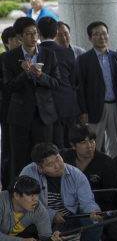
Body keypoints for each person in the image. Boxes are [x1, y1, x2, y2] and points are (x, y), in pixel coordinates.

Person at [20, 143, 103, 241]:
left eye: (58, 159)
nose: (57, 165)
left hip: (67, 218)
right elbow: (25, 205)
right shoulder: (28, 173)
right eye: (50, 164)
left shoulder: (76, 174)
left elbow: (87, 201)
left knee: (94, 220)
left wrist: (94, 211)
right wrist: (52, 214)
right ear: (40, 168)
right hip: (41, 224)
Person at [3, 17, 60, 179]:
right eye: (29, 34)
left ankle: (47, 195)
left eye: (35, 33)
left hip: (44, 116)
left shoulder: (49, 54)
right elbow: (9, 87)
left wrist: (41, 76)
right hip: (20, 117)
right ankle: (19, 196)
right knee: (20, 160)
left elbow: (56, 82)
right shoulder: (9, 58)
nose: (34, 37)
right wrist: (25, 74)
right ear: (19, 37)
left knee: (46, 158)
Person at [0, 176, 64, 241]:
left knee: (36, 230)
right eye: (30, 195)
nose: (35, 199)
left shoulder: (38, 209)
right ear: (16, 195)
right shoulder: (1, 202)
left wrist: (52, 240)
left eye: (36, 194)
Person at [76, 21, 117, 158]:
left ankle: (114, 174)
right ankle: (94, 175)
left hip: (115, 106)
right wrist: (83, 110)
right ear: (90, 38)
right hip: (94, 108)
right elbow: (79, 87)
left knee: (114, 145)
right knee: (93, 145)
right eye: (97, 34)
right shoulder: (83, 59)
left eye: (104, 33)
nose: (102, 37)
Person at [37, 17, 79, 150]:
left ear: (39, 32)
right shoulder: (68, 51)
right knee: (72, 145)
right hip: (69, 105)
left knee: (56, 147)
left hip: (49, 107)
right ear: (56, 33)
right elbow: (73, 80)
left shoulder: (36, 53)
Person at [0, 27, 21, 190]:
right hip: (7, 110)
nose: (19, 41)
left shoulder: (27, 58)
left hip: (25, 111)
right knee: (8, 150)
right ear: (6, 43)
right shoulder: (3, 59)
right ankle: (7, 186)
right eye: (15, 39)